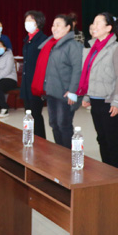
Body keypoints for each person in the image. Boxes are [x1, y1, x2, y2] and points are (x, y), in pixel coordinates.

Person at [78, 13, 118, 169]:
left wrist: (117, 101)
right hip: (95, 99)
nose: (94, 26)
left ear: (108, 28)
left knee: (112, 139)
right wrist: (87, 96)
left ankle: (116, 172)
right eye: (93, 22)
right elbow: (89, 74)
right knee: (101, 138)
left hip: (109, 100)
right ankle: (106, 169)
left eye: (98, 23)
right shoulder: (92, 47)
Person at [32, 14, 82, 148]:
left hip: (65, 93)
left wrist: (73, 91)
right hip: (51, 91)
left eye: (58, 25)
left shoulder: (74, 44)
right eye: (53, 25)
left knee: (64, 124)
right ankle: (60, 152)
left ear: (68, 27)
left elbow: (78, 69)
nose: (54, 28)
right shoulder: (51, 44)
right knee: (54, 124)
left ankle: (69, 154)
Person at [20, 10, 49, 139]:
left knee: (36, 114)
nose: (27, 23)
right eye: (26, 20)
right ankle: (31, 139)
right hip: (27, 83)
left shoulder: (43, 40)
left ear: (38, 22)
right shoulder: (27, 40)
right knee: (28, 114)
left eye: (30, 20)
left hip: (37, 84)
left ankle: (40, 141)